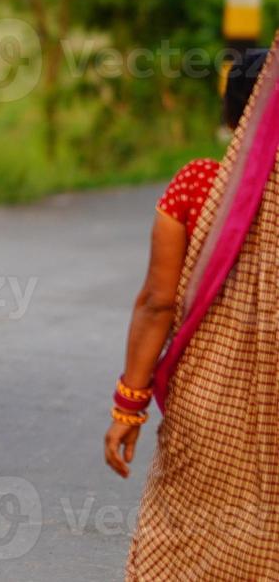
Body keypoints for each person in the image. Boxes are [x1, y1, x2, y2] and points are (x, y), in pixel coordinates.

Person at [106, 39, 278, 577]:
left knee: (184, 546)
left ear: (230, 113)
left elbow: (157, 302)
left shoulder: (197, 185)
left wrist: (127, 405)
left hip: (206, 405)